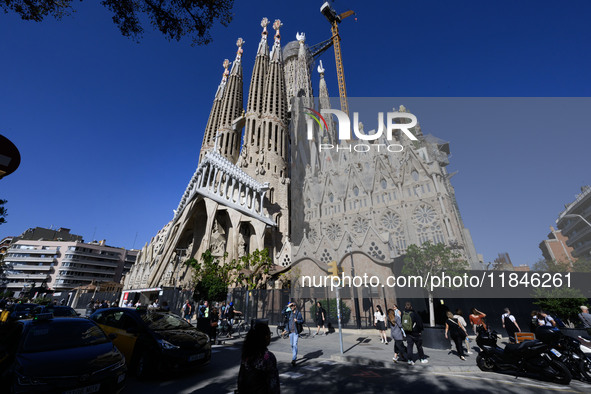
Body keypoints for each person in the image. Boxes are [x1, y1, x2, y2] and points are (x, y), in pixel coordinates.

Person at [236, 322, 280, 394]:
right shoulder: (268, 357)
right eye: (269, 334)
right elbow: (273, 384)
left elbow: (241, 378)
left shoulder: (247, 354)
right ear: (265, 337)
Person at [287, 302, 303, 367]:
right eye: (291, 306)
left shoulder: (298, 313)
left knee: (295, 344)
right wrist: (288, 306)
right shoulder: (290, 313)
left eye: (292, 306)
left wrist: (297, 321)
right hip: (290, 332)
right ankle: (294, 355)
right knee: (291, 345)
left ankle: (294, 359)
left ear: (295, 306)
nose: (291, 307)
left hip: (296, 331)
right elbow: (283, 312)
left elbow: (302, 320)